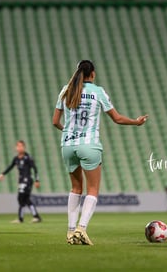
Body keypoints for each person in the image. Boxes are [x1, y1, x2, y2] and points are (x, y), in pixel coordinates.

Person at [52, 60, 148, 245]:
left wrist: (69, 132)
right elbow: (117, 119)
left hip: (68, 144)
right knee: (93, 189)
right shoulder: (98, 92)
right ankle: (81, 229)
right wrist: (137, 122)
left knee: (75, 189)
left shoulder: (66, 90)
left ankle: (71, 232)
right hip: (90, 145)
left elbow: (55, 121)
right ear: (93, 74)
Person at [0, 140, 42, 223]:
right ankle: (35, 216)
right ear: (16, 148)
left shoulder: (28, 157)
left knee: (21, 197)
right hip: (21, 181)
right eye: (18, 146)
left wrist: (37, 180)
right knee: (26, 199)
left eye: (21, 146)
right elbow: (10, 167)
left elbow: (35, 168)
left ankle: (21, 218)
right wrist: (2, 174)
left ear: (24, 147)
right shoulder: (16, 159)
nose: (19, 148)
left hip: (28, 180)